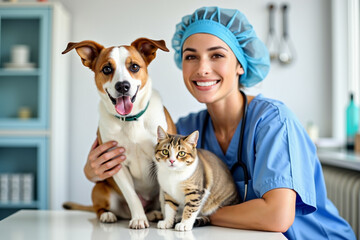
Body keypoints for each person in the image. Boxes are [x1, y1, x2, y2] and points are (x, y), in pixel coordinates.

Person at [84, 6, 356, 240]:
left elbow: (277, 217)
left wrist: (196, 212)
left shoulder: (273, 121)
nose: (202, 68)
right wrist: (93, 172)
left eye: (217, 55)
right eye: (191, 56)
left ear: (241, 64)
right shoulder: (188, 128)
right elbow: (156, 180)